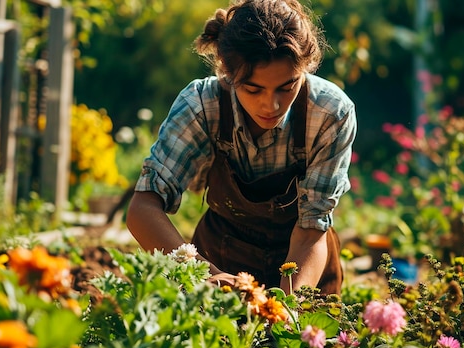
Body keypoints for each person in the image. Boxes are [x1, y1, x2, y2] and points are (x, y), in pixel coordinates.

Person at [125, 0, 356, 295]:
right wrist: (203, 276)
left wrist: (286, 307)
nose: (271, 105)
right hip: (220, 253)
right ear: (227, 72)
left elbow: (311, 231)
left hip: (304, 268)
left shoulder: (330, 113)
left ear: (305, 69)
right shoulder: (201, 106)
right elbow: (143, 208)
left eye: (287, 87)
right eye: (253, 89)